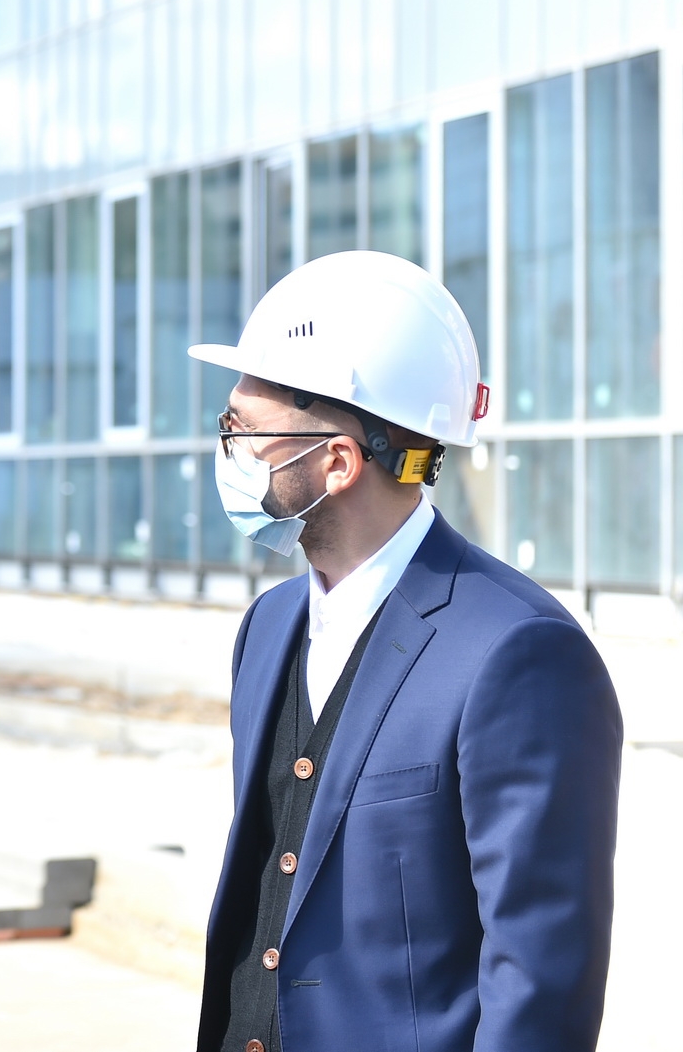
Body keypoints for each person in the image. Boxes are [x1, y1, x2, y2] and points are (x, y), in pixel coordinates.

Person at [187, 251, 621, 1052]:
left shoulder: (518, 653)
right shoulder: (267, 628)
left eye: (242, 431)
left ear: (338, 461)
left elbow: (540, 983)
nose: (228, 451)